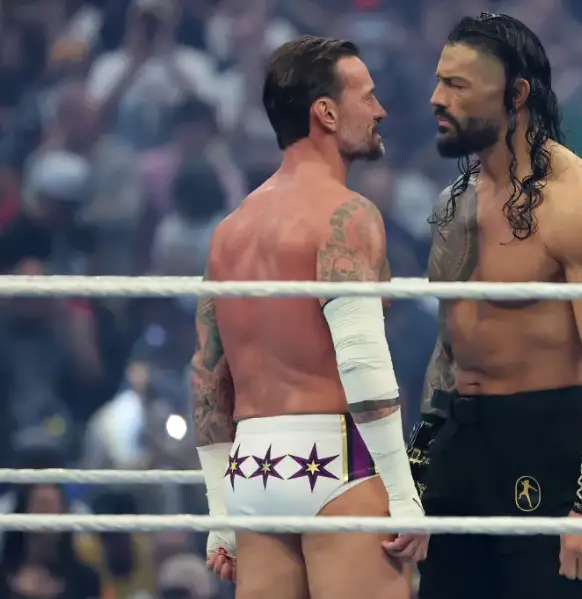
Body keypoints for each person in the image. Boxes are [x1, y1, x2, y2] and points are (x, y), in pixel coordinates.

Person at [407, 13, 582, 599]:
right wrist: (415, 468)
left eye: (457, 85)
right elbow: (449, 347)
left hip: (544, 447)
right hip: (459, 449)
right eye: (439, 81)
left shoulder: (580, 204)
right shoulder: (452, 205)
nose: (437, 98)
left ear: (515, 94)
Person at [190, 36, 427, 599]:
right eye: (366, 97)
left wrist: (221, 509)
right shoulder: (346, 215)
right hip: (335, 459)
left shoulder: (229, 232)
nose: (380, 111)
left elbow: (207, 378)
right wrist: (403, 492)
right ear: (326, 112)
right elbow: (363, 364)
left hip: (253, 469)